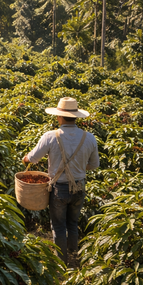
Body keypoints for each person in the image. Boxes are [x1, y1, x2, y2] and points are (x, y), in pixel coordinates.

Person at [23, 97, 100, 265]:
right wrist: (77, 169)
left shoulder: (51, 136)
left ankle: (61, 263)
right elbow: (94, 165)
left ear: (59, 116)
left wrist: (26, 159)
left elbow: (34, 158)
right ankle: (73, 260)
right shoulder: (89, 138)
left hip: (59, 189)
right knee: (72, 224)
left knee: (58, 226)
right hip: (79, 188)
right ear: (76, 117)